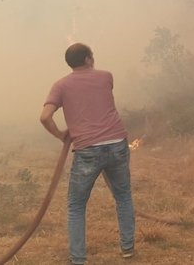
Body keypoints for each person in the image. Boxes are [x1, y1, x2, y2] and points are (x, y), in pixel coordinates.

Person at [39, 43, 135, 265]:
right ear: (88, 59)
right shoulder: (106, 77)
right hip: (117, 144)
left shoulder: (60, 86)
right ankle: (128, 248)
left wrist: (61, 135)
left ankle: (78, 259)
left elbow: (45, 117)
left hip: (87, 150)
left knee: (76, 205)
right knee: (123, 196)